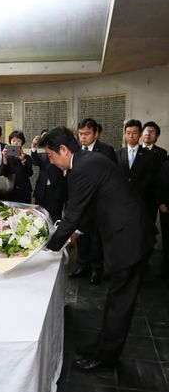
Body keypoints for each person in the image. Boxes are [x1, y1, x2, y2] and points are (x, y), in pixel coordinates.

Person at [39, 126, 151, 372]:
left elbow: (74, 213)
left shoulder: (84, 167)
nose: (51, 161)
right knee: (114, 299)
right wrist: (75, 233)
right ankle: (102, 345)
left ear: (64, 150)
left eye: (51, 155)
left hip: (128, 238)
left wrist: (47, 249)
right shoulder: (87, 161)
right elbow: (87, 209)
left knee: (120, 303)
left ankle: (106, 357)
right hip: (126, 233)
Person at [69, 118, 116, 285]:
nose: (83, 137)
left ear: (96, 134)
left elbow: (111, 178)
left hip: (99, 203)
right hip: (82, 203)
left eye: (87, 134)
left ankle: (97, 269)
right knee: (82, 236)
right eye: (80, 134)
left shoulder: (106, 150)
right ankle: (82, 265)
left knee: (96, 237)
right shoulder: (75, 151)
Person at [116, 119, 155, 212]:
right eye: (128, 133)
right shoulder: (118, 154)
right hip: (122, 199)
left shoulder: (148, 154)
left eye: (134, 133)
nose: (131, 136)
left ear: (140, 134)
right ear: (125, 134)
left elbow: (150, 177)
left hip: (142, 199)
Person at [31, 130, 66, 222]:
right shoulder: (41, 155)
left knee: (55, 217)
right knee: (40, 217)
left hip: (56, 191)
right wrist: (33, 146)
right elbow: (35, 161)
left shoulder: (60, 154)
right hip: (42, 191)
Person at [1, 130, 33, 203]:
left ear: (22, 143)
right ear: (10, 142)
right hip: (10, 190)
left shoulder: (27, 157)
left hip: (24, 191)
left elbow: (30, 173)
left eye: (18, 141)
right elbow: (3, 174)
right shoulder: (7, 157)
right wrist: (4, 159)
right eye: (13, 140)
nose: (16, 143)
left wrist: (23, 161)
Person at [156, 159, 169, 279]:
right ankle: (165, 271)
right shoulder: (165, 164)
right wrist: (160, 202)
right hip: (166, 209)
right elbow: (159, 185)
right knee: (167, 241)